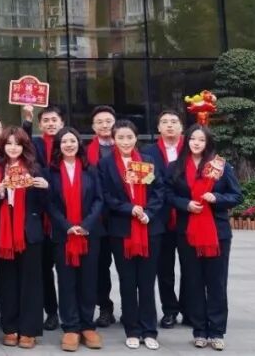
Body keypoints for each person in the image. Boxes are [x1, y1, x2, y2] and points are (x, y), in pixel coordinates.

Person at [165, 125, 242, 351]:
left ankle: (217, 331)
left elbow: (236, 196)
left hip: (217, 233)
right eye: (193, 139)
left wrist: (216, 197)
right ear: (186, 141)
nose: (196, 143)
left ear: (208, 143)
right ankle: (199, 330)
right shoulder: (175, 167)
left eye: (201, 140)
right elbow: (168, 195)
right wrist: (185, 204)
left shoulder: (220, 166)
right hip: (188, 231)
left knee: (216, 283)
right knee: (193, 282)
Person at [97, 120, 166, 350]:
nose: (125, 142)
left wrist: (148, 212)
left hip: (149, 229)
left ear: (136, 138)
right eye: (120, 138)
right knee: (127, 282)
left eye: (129, 137)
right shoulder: (106, 164)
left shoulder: (148, 161)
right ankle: (132, 329)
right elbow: (105, 195)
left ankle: (149, 330)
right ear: (113, 139)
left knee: (147, 282)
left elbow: (159, 190)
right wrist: (130, 209)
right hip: (122, 230)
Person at [46, 127, 105, 352]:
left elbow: (99, 200)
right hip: (63, 234)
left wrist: (86, 225)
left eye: (72, 141)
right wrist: (67, 226)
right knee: (67, 280)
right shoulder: (50, 172)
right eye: (64, 142)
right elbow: (49, 203)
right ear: (58, 146)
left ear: (79, 144)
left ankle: (87, 325)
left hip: (89, 234)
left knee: (88, 280)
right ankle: (70, 326)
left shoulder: (91, 169)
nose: (69, 145)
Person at [0, 125, 50, 349]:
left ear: (24, 146)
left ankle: (29, 330)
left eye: (17, 144)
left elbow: (46, 205)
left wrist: (45, 187)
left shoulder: (34, 169)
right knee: (6, 281)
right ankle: (10, 327)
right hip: (3, 234)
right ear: (2, 146)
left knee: (31, 282)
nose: (13, 148)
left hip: (29, 232)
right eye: (9, 143)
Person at [143, 109, 187, 329]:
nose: (169, 125)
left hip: (188, 217)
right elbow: (146, 183)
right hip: (160, 219)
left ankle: (190, 310)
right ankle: (170, 310)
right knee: (164, 269)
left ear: (181, 126)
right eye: (164, 122)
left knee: (190, 269)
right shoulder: (148, 152)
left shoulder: (192, 149)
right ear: (158, 127)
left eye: (174, 121)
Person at [22, 105, 64, 332]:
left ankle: (71, 312)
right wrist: (27, 120)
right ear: (40, 124)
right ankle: (52, 311)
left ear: (62, 122)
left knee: (66, 270)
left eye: (54, 120)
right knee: (44, 270)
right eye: (45, 120)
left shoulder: (68, 143)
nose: (50, 124)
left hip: (64, 216)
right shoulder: (36, 144)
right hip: (41, 217)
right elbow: (23, 143)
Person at [87, 106, 118, 329]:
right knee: (100, 267)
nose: (105, 125)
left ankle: (133, 310)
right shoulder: (86, 152)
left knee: (128, 268)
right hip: (99, 219)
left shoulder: (129, 147)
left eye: (108, 121)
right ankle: (105, 308)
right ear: (93, 127)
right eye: (99, 122)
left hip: (125, 216)